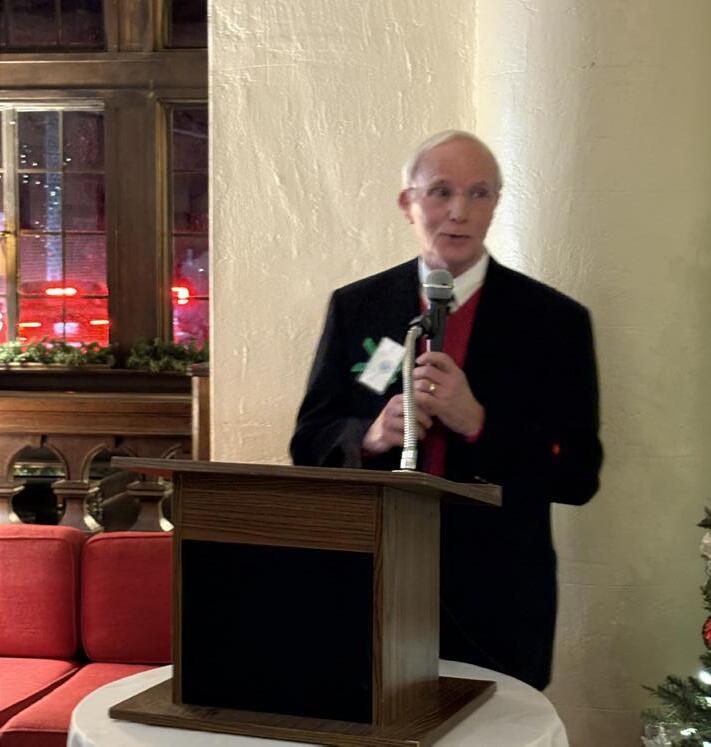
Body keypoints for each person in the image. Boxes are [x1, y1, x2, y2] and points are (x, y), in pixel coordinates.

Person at [290, 130, 603, 690]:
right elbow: (308, 442)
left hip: (498, 599)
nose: (460, 212)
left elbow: (580, 475)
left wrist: (479, 424)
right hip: (371, 580)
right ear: (407, 203)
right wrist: (369, 436)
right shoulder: (358, 307)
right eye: (440, 192)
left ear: (496, 203)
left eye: (479, 193)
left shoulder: (554, 321)